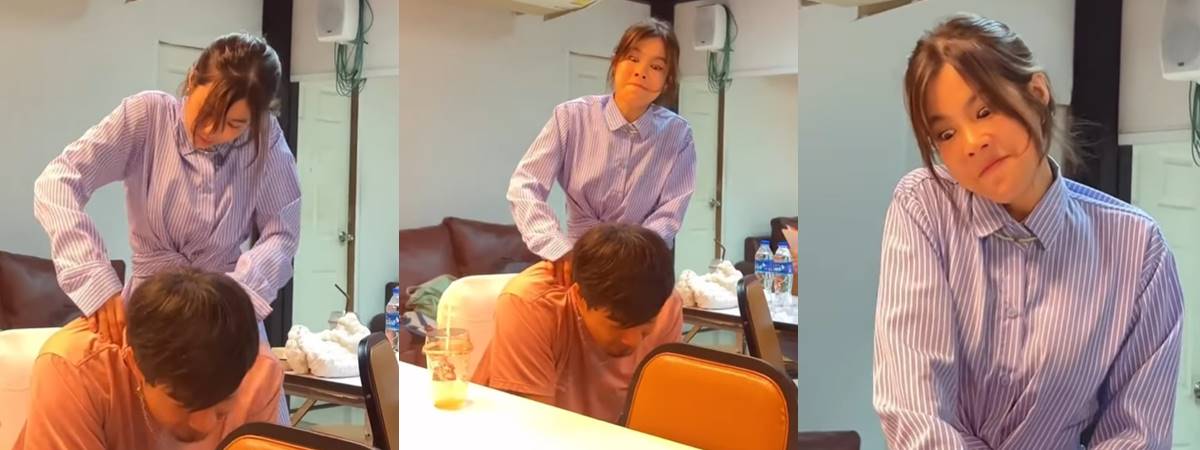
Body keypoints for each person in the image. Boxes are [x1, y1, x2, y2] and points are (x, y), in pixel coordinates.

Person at [872, 13, 1184, 449]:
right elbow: (913, 406)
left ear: (1037, 93)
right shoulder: (924, 206)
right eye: (945, 133)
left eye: (984, 111)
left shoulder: (1139, 249)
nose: (971, 143)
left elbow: (1137, 434)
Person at [33, 32, 298, 420]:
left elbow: (282, 231)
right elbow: (58, 181)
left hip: (225, 310)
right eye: (207, 111)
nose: (213, 131)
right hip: (150, 307)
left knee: (257, 406)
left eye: (234, 124)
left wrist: (238, 299)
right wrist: (93, 275)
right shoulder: (146, 117)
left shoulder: (266, 140)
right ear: (192, 80)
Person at [13, 268, 284, 449]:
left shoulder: (259, 372)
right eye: (184, 405)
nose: (204, 425)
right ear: (135, 364)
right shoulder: (74, 369)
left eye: (222, 409)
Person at [507, 18, 696, 265]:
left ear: (667, 81)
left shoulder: (678, 135)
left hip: (639, 263)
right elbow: (525, 185)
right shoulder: (571, 117)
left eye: (656, 67)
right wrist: (557, 247)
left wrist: (631, 253)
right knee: (519, 289)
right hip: (575, 258)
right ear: (615, 62)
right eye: (633, 58)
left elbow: (670, 212)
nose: (641, 72)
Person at [473, 223, 683, 423]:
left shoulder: (666, 304)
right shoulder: (531, 305)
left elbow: (660, 413)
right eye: (618, 324)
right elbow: (532, 428)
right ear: (579, 297)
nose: (633, 341)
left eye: (646, 327)